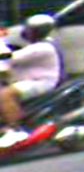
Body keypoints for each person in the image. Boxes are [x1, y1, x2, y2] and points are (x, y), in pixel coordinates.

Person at [0, 14, 64, 148]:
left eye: (29, 29)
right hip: (29, 80)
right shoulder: (39, 44)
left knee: (5, 94)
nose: (26, 31)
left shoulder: (42, 47)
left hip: (41, 83)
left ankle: (16, 130)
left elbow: (11, 58)